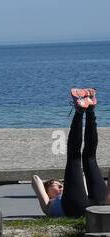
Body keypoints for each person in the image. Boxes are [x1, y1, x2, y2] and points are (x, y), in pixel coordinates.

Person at [31, 89, 106, 217]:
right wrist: (49, 189)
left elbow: (35, 179)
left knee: (80, 157)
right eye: (57, 186)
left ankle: (88, 109)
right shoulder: (48, 205)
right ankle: (84, 111)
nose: (61, 187)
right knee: (87, 158)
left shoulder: (54, 204)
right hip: (84, 206)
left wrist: (59, 186)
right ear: (47, 192)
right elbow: (36, 180)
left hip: (88, 203)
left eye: (60, 185)